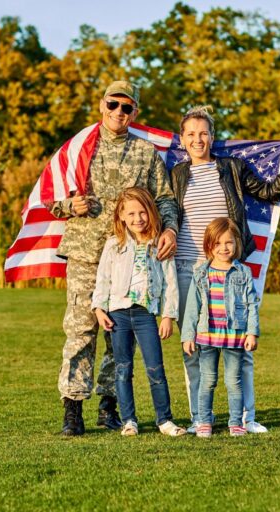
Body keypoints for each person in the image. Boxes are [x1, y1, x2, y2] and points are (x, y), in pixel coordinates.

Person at [48, 81, 179, 436]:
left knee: (118, 337)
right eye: (113, 104)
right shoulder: (78, 149)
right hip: (86, 255)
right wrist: (67, 206)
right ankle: (72, 409)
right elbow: (50, 197)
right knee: (80, 331)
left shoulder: (146, 152)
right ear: (102, 105)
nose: (119, 112)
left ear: (135, 113)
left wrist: (169, 229)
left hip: (129, 256)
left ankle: (109, 406)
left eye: (127, 107)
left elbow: (165, 198)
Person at [171, 105, 280, 434]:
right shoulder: (176, 174)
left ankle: (246, 418)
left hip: (229, 270)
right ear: (182, 140)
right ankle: (200, 419)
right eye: (191, 134)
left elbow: (271, 193)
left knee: (240, 347)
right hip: (188, 269)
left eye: (203, 133)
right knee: (195, 347)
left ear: (212, 137)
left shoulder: (231, 168)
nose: (197, 139)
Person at [92, 187, 186, 437]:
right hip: (118, 314)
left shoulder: (160, 244)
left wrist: (168, 315)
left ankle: (164, 420)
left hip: (146, 315)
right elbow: (103, 278)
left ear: (151, 213)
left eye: (142, 212)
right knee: (123, 368)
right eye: (131, 213)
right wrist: (99, 308)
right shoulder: (114, 245)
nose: (138, 219)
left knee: (155, 368)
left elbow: (170, 282)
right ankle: (129, 421)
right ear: (121, 216)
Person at [180, 218, 259, 437]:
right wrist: (188, 336)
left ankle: (236, 422)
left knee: (233, 381)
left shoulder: (243, 273)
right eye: (217, 243)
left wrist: (252, 332)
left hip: (234, 336)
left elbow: (252, 304)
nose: (223, 248)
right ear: (209, 245)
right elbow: (192, 308)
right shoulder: (202, 273)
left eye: (228, 243)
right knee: (208, 380)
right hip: (206, 336)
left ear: (236, 244)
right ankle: (204, 421)